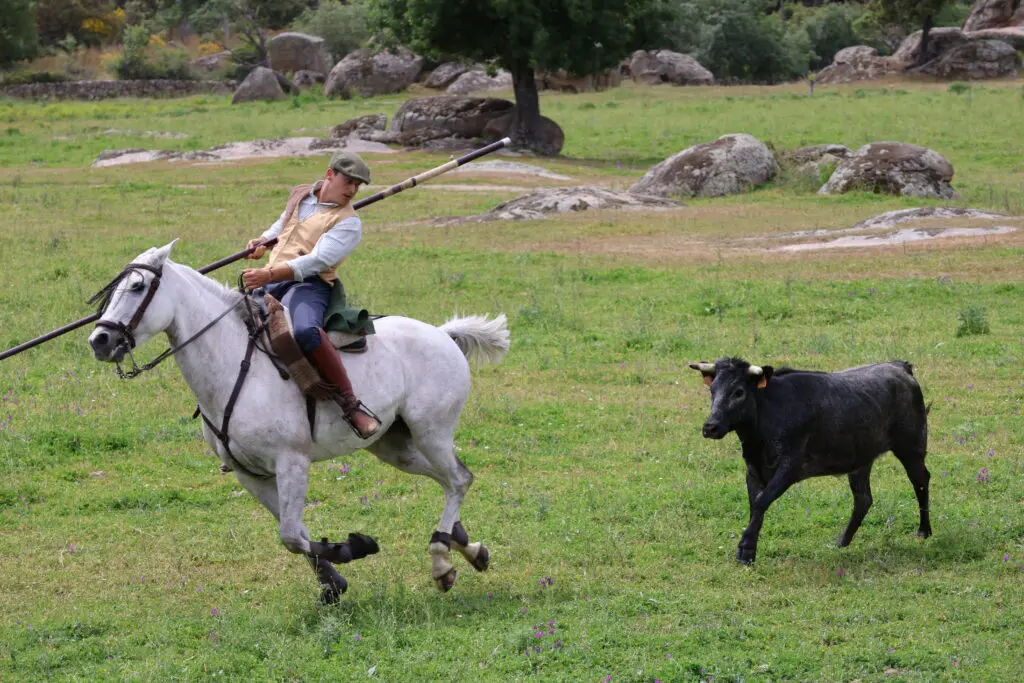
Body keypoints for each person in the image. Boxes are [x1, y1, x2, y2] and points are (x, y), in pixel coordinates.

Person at [242, 151, 379, 439]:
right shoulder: (302, 195)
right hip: (271, 280)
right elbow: (282, 227)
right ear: (330, 174)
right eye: (349, 181)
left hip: (310, 285)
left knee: (304, 331)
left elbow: (317, 261)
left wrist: (269, 274)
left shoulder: (348, 222)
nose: (353, 190)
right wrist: (263, 242)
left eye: (358, 185)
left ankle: (350, 404)